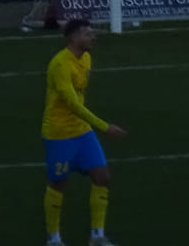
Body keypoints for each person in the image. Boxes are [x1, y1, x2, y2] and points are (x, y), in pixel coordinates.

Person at [41, 18, 126, 246]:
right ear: (73, 38)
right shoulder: (60, 65)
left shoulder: (86, 58)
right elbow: (73, 104)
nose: (93, 37)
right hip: (59, 133)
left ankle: (97, 236)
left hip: (82, 132)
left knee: (102, 177)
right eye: (88, 34)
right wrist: (105, 127)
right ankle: (54, 239)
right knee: (59, 184)